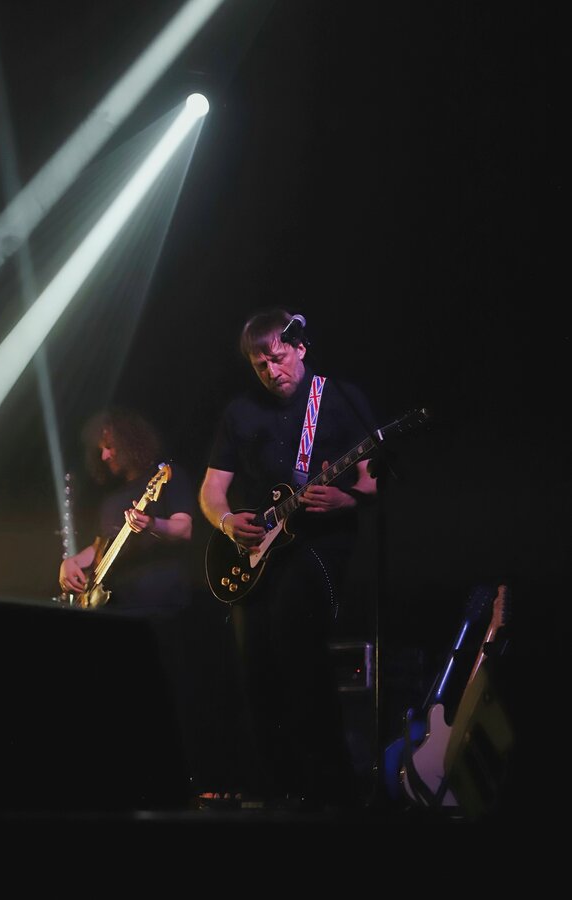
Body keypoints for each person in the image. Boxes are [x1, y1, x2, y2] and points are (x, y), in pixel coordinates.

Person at [199, 308, 379, 809]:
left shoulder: (337, 398)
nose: (270, 371)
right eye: (259, 365)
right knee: (254, 663)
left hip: (319, 546)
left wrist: (348, 498)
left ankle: (330, 788)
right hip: (260, 552)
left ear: (300, 347)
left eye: (277, 358)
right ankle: (275, 789)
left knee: (295, 641)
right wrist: (225, 521)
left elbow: (373, 477)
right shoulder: (239, 412)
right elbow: (211, 490)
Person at [58, 406, 198, 783]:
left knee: (166, 699)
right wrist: (70, 564)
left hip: (161, 607)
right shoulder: (112, 501)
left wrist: (151, 523)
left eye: (109, 446)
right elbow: (100, 549)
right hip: (118, 610)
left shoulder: (166, 478)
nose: (104, 455)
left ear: (129, 441)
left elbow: (184, 528)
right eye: (100, 450)